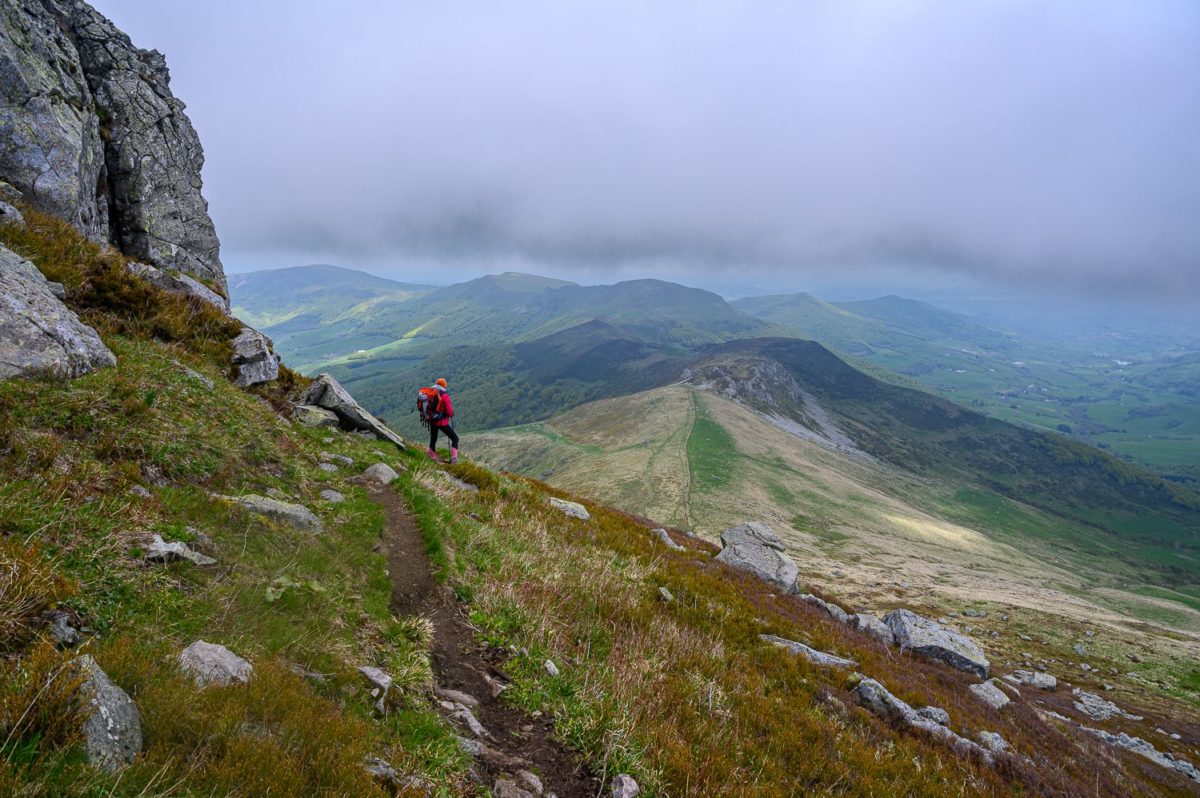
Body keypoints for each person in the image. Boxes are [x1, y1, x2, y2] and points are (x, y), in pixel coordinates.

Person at [426, 377, 459, 463]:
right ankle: (454, 459)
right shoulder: (445, 396)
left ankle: (432, 456)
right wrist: (451, 413)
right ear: (444, 386)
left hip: (432, 420)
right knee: (455, 439)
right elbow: (449, 411)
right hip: (442, 422)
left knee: (433, 439)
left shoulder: (432, 393)